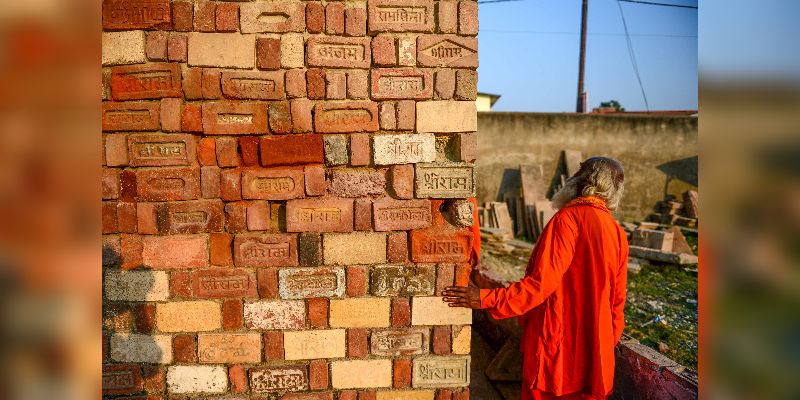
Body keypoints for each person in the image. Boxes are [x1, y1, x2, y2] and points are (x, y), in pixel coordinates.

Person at [443, 157, 629, 400]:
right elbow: (617, 305)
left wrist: (485, 298)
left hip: (559, 353)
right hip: (595, 357)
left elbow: (541, 285)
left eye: (579, 172)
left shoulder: (568, 220)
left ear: (585, 181)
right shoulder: (617, 233)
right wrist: (600, 346)